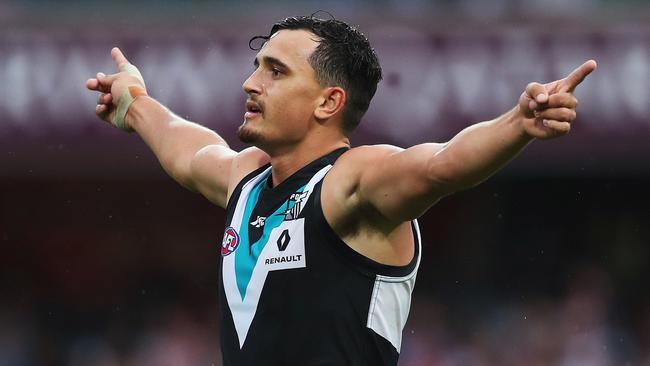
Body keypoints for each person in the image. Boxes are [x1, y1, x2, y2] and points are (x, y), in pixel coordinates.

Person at [85, 15, 596, 366]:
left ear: (328, 103)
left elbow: (440, 165)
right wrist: (134, 103)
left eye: (275, 71)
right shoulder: (246, 180)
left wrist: (518, 123)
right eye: (257, 65)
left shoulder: (350, 181)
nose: (250, 83)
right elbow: (188, 152)